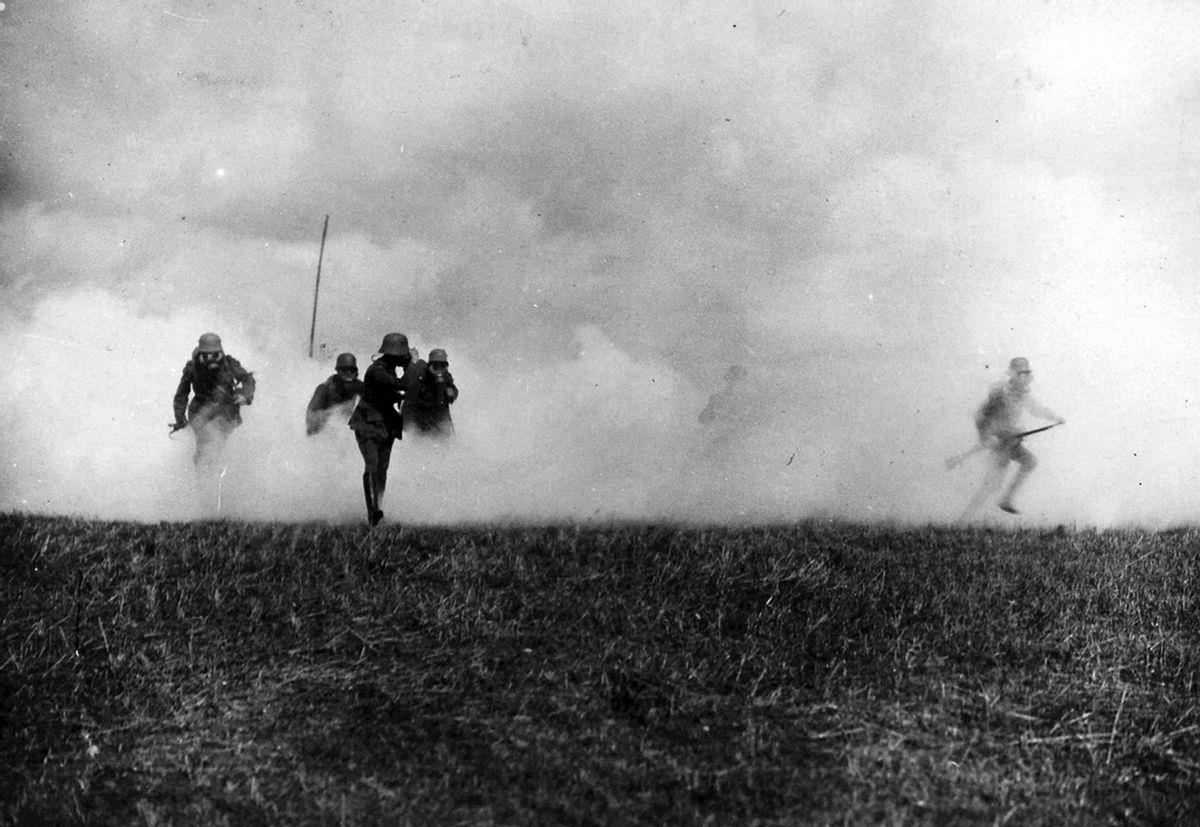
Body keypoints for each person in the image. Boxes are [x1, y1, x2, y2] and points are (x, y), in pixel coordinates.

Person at [966, 356, 1065, 515]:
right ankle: (965, 518)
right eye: (1022, 373)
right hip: (1000, 442)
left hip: (1011, 442)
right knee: (992, 485)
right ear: (1014, 374)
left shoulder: (1022, 393)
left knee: (1030, 462)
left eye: (1027, 373)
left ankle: (1006, 500)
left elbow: (1035, 409)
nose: (1026, 377)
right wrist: (986, 437)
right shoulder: (1001, 393)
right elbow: (980, 416)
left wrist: (1054, 417)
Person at [348, 333, 420, 525]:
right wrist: (413, 364)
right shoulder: (377, 371)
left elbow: (391, 392)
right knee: (372, 465)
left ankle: (377, 509)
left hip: (385, 424)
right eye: (403, 355)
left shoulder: (388, 369)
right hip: (368, 423)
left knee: (382, 468)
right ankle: (373, 513)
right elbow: (403, 384)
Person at [171, 332, 256, 468]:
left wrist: (245, 396)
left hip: (226, 410)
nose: (211, 359)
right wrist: (180, 418)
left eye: (215, 355)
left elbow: (248, 379)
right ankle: (203, 474)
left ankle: (222, 469)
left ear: (220, 353)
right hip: (200, 411)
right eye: (206, 356)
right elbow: (181, 395)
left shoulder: (229, 364)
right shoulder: (193, 367)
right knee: (203, 445)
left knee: (222, 442)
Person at [306, 352, 364, 435]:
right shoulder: (324, 389)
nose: (348, 374)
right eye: (345, 370)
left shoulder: (358, 385)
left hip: (346, 428)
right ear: (338, 371)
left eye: (352, 370)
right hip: (324, 430)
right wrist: (333, 413)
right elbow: (311, 416)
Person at [408, 348, 458, 437]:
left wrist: (452, 393)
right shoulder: (421, 376)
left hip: (441, 417)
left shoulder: (446, 377)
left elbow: (453, 389)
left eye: (442, 366)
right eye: (435, 366)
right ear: (430, 366)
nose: (439, 370)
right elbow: (411, 399)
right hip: (423, 417)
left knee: (445, 440)